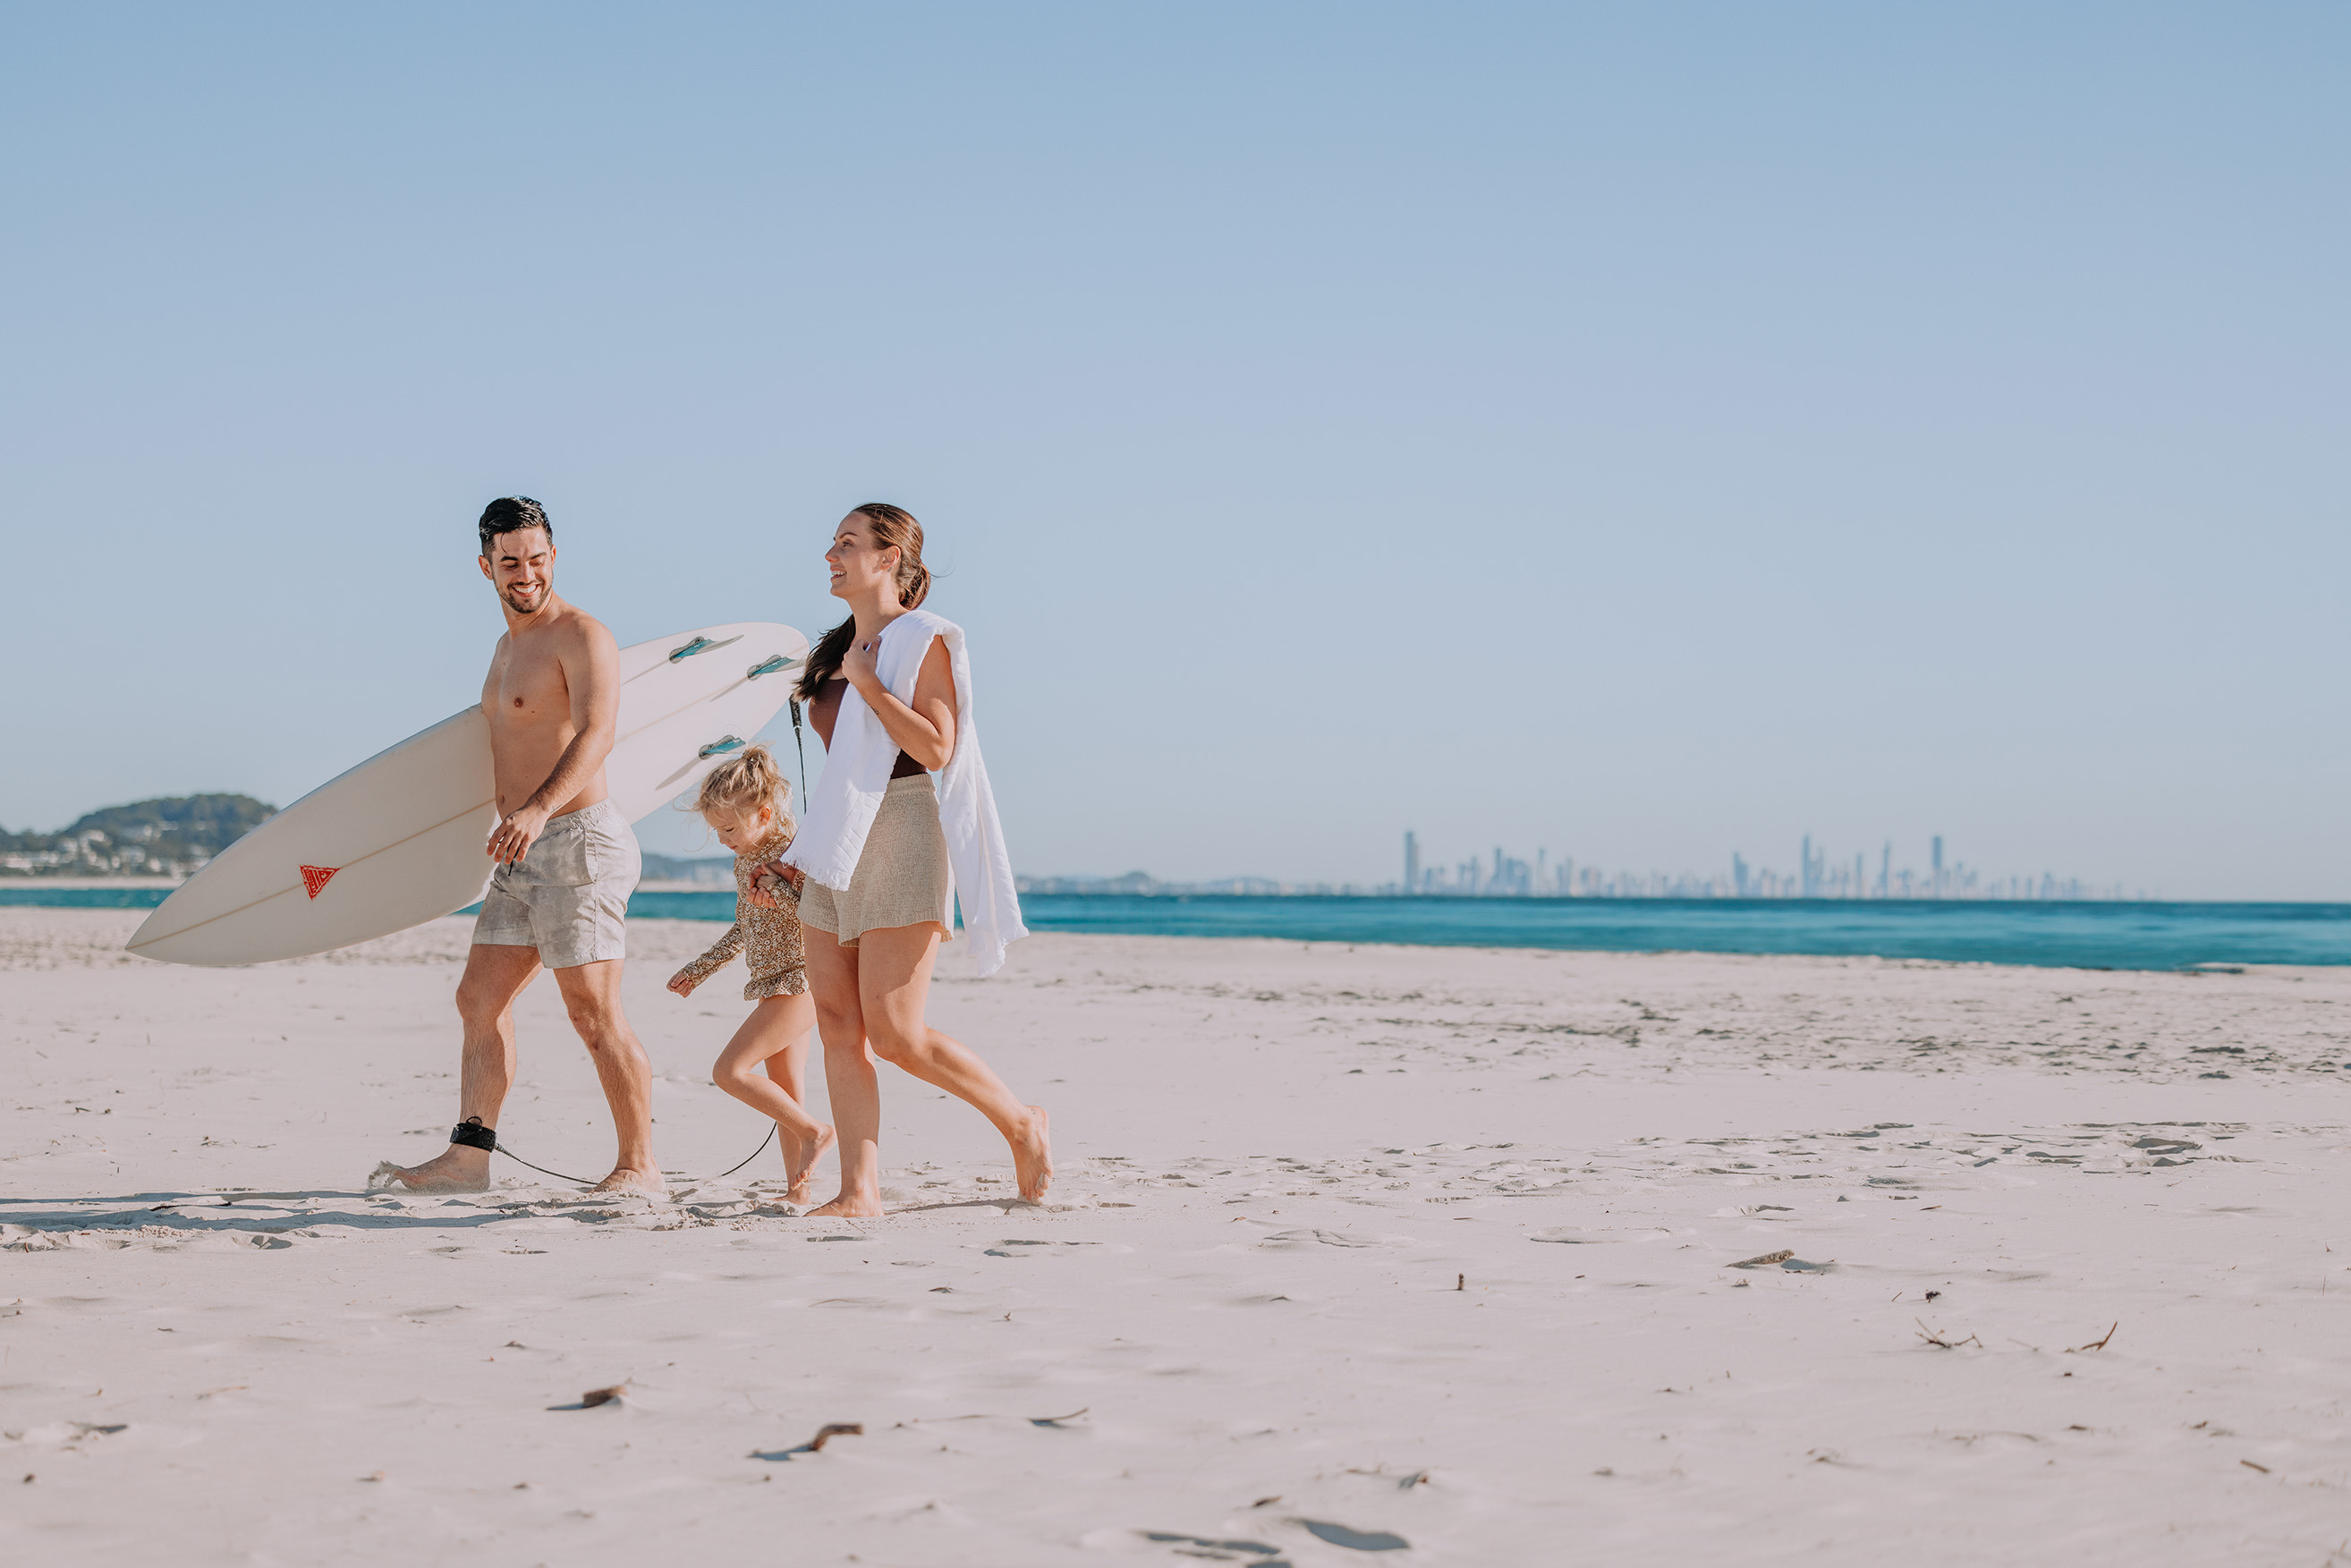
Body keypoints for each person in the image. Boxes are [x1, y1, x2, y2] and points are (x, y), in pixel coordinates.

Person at [755, 503, 1048, 1216]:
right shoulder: (834, 653)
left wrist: (871, 684)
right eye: (832, 542)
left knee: (894, 1032)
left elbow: (938, 748)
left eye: (849, 543)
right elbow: (839, 769)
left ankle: (1021, 1122)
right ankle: (861, 1191)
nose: (832, 553)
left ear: (890, 558)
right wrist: (794, 856)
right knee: (836, 1023)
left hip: (906, 827)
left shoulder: (925, 639)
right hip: (835, 838)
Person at [374, 496, 661, 1197]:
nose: (525, 573)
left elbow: (597, 732)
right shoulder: (505, 649)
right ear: (485, 567)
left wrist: (536, 807)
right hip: (518, 850)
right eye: (510, 562)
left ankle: (640, 1167)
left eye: (536, 559)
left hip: (576, 843)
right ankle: (469, 1158)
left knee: (592, 1010)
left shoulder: (582, 635)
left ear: (552, 557)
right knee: (478, 997)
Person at [666, 744, 836, 1207]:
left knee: (730, 1071)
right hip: (769, 981)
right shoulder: (744, 861)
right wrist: (699, 969)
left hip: (801, 978)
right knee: (783, 1090)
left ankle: (817, 1131)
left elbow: (821, 913)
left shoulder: (795, 851)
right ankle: (797, 1192)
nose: (723, 840)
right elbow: (746, 924)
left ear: (763, 813)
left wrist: (778, 890)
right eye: (717, 831)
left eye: (728, 829)